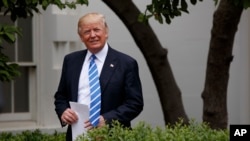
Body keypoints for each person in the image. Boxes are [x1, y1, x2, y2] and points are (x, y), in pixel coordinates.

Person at [54, 12, 144, 141]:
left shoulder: (126, 63)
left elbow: (135, 103)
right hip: (77, 135)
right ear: (81, 37)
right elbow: (61, 96)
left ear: (106, 32)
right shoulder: (71, 61)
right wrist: (63, 112)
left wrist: (107, 119)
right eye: (87, 32)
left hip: (113, 135)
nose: (92, 35)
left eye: (97, 30)